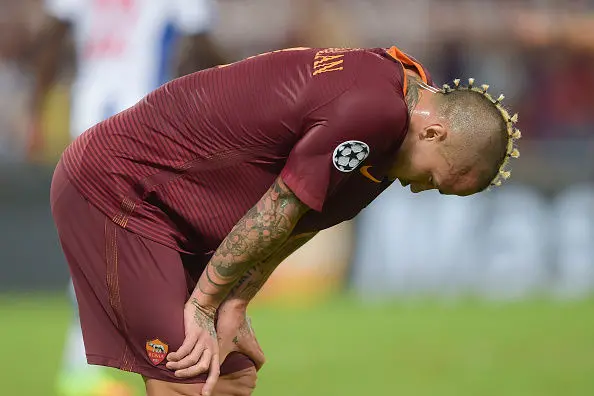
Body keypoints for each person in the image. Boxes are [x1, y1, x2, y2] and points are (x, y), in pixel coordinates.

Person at [50, 45, 521, 396]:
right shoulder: (375, 110)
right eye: (435, 180)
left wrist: (234, 305)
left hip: (167, 214)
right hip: (120, 190)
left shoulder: (391, 129)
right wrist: (203, 305)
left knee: (229, 377)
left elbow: (301, 223)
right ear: (434, 132)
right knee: (190, 375)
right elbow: (281, 206)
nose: (420, 188)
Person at [31, 1, 226, 394]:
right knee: (148, 245)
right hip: (142, 124)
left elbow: (51, 37)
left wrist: (35, 109)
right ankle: (91, 372)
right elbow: (202, 45)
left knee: (108, 244)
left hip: (88, 121)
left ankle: (93, 369)